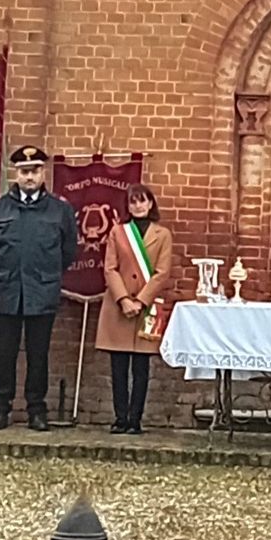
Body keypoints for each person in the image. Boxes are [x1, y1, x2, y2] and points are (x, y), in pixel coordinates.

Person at [0, 145, 77, 432]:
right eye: (24, 172)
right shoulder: (0, 207)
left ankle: (37, 410)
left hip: (41, 292)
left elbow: (68, 251)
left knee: (38, 355)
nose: (29, 177)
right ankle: (1, 409)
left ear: (43, 173)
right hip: (8, 292)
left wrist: (47, 276)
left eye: (35, 171)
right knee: (5, 353)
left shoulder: (59, 210)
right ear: (16, 174)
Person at [95, 183, 173, 435]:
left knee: (141, 368)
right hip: (119, 306)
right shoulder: (118, 232)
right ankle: (120, 417)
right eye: (133, 202)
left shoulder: (163, 234)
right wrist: (123, 299)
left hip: (145, 307)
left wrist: (140, 300)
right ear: (127, 206)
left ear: (150, 204)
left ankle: (135, 419)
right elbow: (110, 268)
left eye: (142, 201)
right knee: (118, 368)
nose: (138, 206)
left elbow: (162, 273)